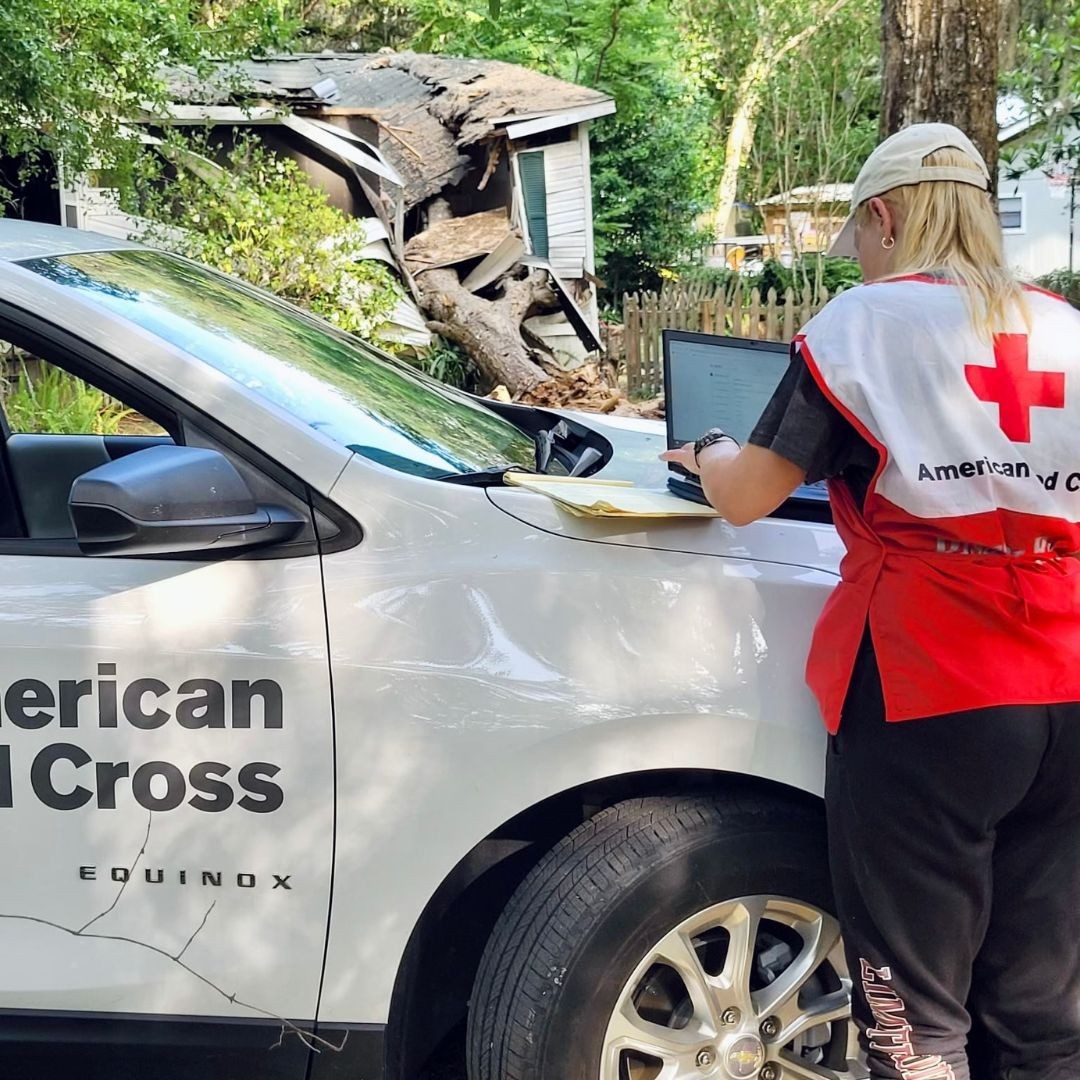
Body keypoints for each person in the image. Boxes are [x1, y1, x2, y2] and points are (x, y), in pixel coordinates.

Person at [661, 122, 1080, 1080]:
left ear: (883, 218)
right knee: (1044, 1009)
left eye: (858, 235)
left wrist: (710, 450)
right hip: (1068, 671)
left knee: (916, 1018)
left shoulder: (863, 323)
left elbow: (748, 496)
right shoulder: (1065, 326)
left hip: (930, 678)